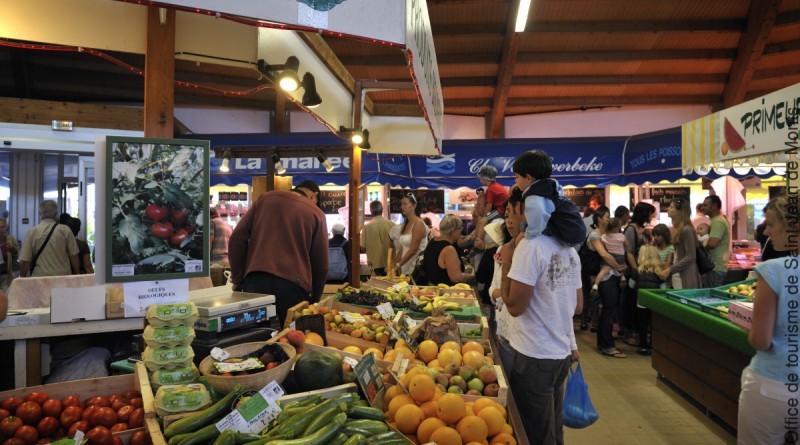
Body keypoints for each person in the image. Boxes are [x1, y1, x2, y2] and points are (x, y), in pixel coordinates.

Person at [503, 192, 582, 445]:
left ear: (523, 209)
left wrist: (507, 261)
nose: (509, 218)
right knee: (552, 426)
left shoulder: (530, 246)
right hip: (559, 353)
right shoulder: (569, 249)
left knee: (534, 431)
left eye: (510, 211)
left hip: (533, 353)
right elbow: (577, 306)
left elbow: (515, 306)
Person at [737, 196, 797, 444]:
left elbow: (760, 340)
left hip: (774, 385)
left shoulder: (775, 270)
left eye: (771, 224)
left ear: (792, 227)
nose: (767, 231)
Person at [228, 181, 328, 327]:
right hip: (294, 285)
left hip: (256, 280)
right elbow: (322, 265)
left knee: (255, 336)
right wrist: (315, 298)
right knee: (292, 338)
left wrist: (238, 279)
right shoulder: (316, 213)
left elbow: (237, 238)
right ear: (314, 196)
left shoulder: (265, 199)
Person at [586, 207, 628, 358]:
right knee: (608, 309)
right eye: (606, 216)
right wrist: (619, 267)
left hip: (612, 275)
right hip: (606, 276)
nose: (608, 219)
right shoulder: (595, 235)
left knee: (610, 309)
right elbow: (604, 255)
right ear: (599, 219)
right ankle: (606, 345)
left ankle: (606, 342)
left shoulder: (606, 235)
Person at [620, 202, 656, 337]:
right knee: (632, 301)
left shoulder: (643, 229)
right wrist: (636, 270)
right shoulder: (631, 229)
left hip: (645, 271)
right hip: (635, 272)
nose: (652, 216)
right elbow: (629, 252)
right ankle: (632, 329)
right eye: (650, 213)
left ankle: (639, 329)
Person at [19, 200, 79, 277]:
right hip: (63, 278)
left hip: (40, 279)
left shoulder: (32, 232)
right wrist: (77, 274)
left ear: (40, 213)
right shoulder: (65, 230)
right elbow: (74, 255)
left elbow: (25, 260)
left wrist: (22, 277)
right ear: (56, 213)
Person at [629, 245, 666, 355]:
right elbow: (663, 289)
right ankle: (654, 346)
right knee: (653, 325)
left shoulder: (636, 271)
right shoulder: (660, 273)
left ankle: (643, 345)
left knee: (642, 324)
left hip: (641, 302)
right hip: (655, 303)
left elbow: (631, 285)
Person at [659, 198, 701, 289]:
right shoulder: (680, 229)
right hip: (678, 275)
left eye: (671, 207)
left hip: (685, 276)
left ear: (679, 212)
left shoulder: (686, 230)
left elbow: (690, 257)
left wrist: (669, 270)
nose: (668, 209)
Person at [421, 215, 474, 286]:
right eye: (459, 232)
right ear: (453, 232)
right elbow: (456, 278)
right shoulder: (449, 249)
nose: (460, 235)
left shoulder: (433, 241)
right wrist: (473, 276)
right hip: (445, 292)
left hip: (431, 287)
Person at [589, 217, 626, 297]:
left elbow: (603, 249)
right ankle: (623, 277)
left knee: (603, 271)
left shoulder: (604, 236)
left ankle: (595, 285)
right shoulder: (621, 236)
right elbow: (626, 245)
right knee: (622, 265)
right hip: (620, 256)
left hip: (610, 256)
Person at [395, 193, 428, 276]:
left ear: (414, 206)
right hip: (404, 268)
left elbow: (413, 249)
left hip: (415, 270)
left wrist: (399, 264)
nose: (402, 207)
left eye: (405, 204)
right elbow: (403, 247)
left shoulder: (418, 223)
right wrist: (393, 264)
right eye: (401, 204)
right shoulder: (407, 223)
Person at [702, 195, 730, 288]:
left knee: (710, 298)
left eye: (705, 205)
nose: (702, 207)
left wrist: (700, 242)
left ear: (714, 206)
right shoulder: (715, 220)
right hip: (714, 267)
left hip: (715, 268)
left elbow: (712, 243)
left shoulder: (717, 221)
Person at [360, 200, 394, 276]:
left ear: (371, 211)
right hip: (390, 264)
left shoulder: (366, 227)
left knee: (376, 286)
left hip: (374, 265)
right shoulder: (391, 224)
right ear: (382, 209)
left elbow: (363, 247)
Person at [0, 217, 20, 292]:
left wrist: (12, 248)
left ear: (6, 228)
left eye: (3, 227)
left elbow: (18, 255)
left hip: (6, 276)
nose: (0, 229)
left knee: (7, 299)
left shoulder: (11, 239)